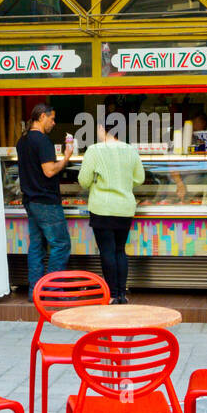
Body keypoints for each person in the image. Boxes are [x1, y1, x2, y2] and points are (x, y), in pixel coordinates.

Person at [78, 121, 144, 304]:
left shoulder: (94, 150)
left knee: (107, 251)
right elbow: (140, 178)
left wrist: (96, 180)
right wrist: (123, 182)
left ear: (102, 129)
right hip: (125, 207)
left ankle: (112, 295)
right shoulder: (130, 150)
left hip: (102, 208)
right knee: (120, 250)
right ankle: (122, 294)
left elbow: (83, 180)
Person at [16, 103, 73, 297]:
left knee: (37, 246)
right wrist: (66, 158)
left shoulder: (22, 141)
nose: (54, 123)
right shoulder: (42, 141)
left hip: (30, 201)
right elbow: (49, 171)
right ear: (41, 117)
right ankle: (53, 289)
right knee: (60, 244)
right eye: (52, 118)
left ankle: (36, 291)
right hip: (46, 201)